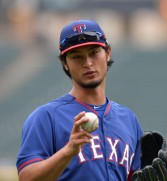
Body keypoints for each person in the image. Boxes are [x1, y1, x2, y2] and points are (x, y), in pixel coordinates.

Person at [16, 19, 144, 181]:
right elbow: (26, 178)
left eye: (94, 52)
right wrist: (69, 150)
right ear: (65, 64)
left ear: (108, 53)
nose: (88, 63)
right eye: (77, 57)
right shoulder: (46, 117)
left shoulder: (129, 119)